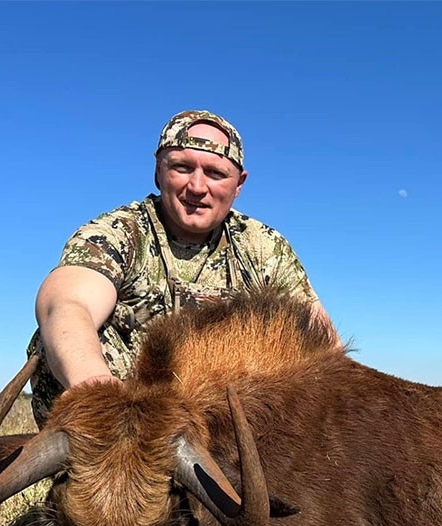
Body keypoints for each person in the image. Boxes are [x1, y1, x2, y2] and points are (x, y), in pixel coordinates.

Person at [27, 109, 333, 427]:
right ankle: (91, 470)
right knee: (59, 340)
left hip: (229, 422)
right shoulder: (120, 231)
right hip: (128, 419)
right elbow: (64, 303)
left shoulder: (264, 246)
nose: (197, 186)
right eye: (182, 168)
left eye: (215, 173)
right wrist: (98, 392)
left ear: (239, 184)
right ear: (158, 172)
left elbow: (323, 342)